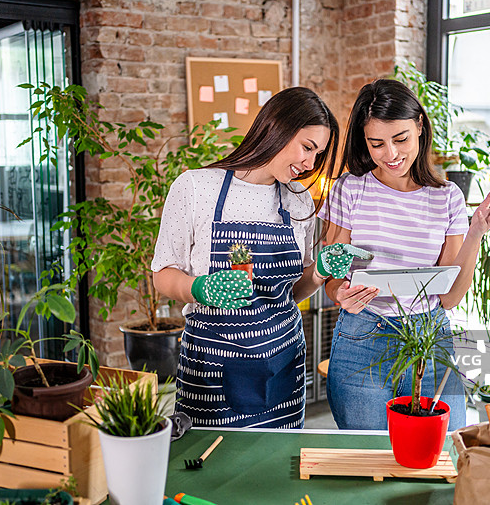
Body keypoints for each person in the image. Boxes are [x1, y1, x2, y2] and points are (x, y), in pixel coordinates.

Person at [152, 87, 367, 428]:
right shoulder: (196, 187)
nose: (310, 164)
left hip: (281, 365)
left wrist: (318, 272)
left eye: (319, 153)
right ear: (275, 127)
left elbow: (291, 293)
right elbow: (162, 274)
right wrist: (199, 288)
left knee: (276, 467)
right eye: (307, 147)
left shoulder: (299, 203)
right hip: (212, 368)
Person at [319, 79, 490, 431]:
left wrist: (475, 233)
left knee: (443, 451)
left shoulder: (447, 197)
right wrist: (340, 294)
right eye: (376, 143)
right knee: (370, 456)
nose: (391, 154)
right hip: (363, 335)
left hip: (431, 336)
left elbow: (451, 296)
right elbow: (331, 277)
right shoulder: (348, 189)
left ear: (420, 127)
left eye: (401, 139)